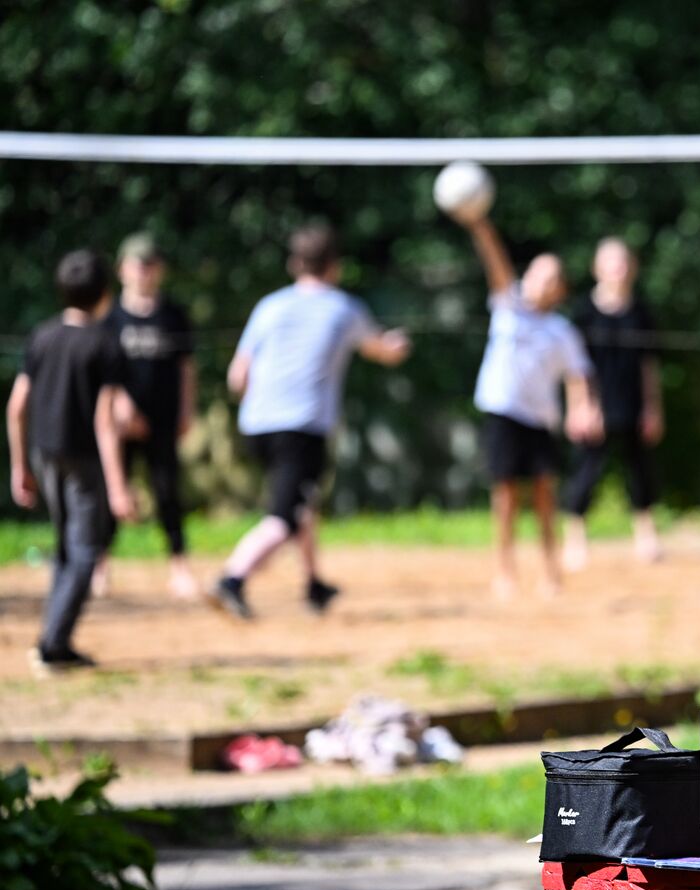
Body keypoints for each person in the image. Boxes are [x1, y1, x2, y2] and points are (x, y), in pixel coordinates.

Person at [211, 224, 411, 619]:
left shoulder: (269, 305)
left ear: (294, 264)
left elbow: (238, 376)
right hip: (300, 427)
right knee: (285, 515)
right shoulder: (344, 308)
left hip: (257, 423)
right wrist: (398, 345)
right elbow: (382, 351)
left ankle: (314, 584)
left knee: (304, 505)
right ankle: (232, 578)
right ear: (334, 266)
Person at [7, 249, 135, 674]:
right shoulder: (105, 344)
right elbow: (105, 422)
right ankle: (53, 645)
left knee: (66, 548)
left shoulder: (43, 336)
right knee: (84, 552)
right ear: (105, 294)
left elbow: (16, 406)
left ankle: (53, 638)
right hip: (82, 459)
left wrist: (18, 465)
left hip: (45, 455)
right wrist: (118, 487)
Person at [456, 212, 595, 598]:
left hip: (540, 419)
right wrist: (482, 226)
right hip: (502, 410)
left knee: (544, 495)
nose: (540, 282)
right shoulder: (508, 305)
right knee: (504, 495)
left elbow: (578, 375)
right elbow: (496, 263)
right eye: (536, 273)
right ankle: (505, 571)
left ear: (561, 290)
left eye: (551, 278)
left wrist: (582, 408)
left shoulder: (561, 330)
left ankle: (551, 572)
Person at [91, 233, 198, 600]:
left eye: (150, 263)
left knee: (168, 492)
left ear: (161, 270)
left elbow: (186, 366)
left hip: (163, 419)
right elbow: (100, 371)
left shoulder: (174, 314)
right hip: (119, 425)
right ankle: (100, 567)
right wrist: (120, 404)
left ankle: (179, 567)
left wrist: (187, 408)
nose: (144, 270)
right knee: (111, 493)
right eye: (137, 263)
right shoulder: (109, 318)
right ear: (122, 269)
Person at [561, 237, 664, 569]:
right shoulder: (583, 312)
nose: (618, 268)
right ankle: (575, 539)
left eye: (623, 261)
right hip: (595, 404)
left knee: (640, 470)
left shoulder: (641, 310)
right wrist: (581, 406)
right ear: (597, 268)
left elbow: (649, 365)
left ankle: (646, 537)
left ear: (632, 267)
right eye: (610, 261)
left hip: (632, 401)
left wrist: (652, 407)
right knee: (586, 472)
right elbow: (573, 367)